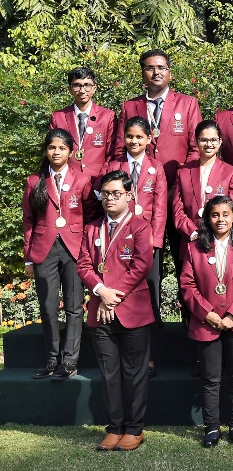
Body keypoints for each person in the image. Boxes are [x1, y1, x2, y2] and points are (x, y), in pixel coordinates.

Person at [116, 48, 203, 314]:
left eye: (161, 68)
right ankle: (144, 321)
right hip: (141, 198)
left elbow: (195, 148)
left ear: (170, 72)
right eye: (150, 68)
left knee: (184, 258)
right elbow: (121, 148)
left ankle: (191, 321)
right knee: (143, 260)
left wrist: (179, 183)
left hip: (177, 194)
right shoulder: (130, 106)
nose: (156, 72)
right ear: (142, 72)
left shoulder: (188, 103)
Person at [76, 170, 154, 451]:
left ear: (129, 195)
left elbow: (141, 266)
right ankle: (115, 427)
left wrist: (113, 296)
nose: (110, 198)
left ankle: (134, 429)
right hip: (101, 310)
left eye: (116, 193)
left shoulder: (141, 227)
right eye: (106, 194)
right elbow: (84, 265)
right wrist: (101, 292)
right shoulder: (92, 228)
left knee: (134, 373)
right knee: (110, 373)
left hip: (132, 310)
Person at [180, 195, 233, 447]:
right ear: (208, 218)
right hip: (207, 322)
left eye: (226, 214)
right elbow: (187, 286)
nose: (220, 219)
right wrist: (208, 314)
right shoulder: (195, 248)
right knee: (210, 378)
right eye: (215, 215)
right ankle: (212, 428)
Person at [23, 129, 98, 380]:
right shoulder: (35, 181)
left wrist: (88, 250)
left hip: (74, 248)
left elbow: (90, 218)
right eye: (52, 147)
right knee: (47, 306)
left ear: (70, 152)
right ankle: (51, 359)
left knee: (75, 307)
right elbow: (28, 221)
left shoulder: (82, 180)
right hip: (44, 249)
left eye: (62, 148)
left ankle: (69, 361)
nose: (57, 152)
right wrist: (28, 257)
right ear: (46, 150)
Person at [98, 117, 167, 377]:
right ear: (124, 138)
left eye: (140, 137)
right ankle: (120, 350)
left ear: (149, 139)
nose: (134, 141)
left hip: (146, 241)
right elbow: (103, 199)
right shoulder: (113, 165)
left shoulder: (156, 167)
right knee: (119, 290)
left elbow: (160, 209)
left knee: (150, 297)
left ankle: (149, 358)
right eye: (130, 137)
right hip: (117, 240)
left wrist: (155, 242)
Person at [173, 120, 233, 252]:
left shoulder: (232, 172)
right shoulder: (183, 172)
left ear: (220, 141)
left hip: (222, 241)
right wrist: (194, 233)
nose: (209, 144)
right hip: (191, 241)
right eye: (204, 140)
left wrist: (217, 233)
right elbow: (178, 211)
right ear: (196, 141)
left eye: (213, 140)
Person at [49, 67, 117, 182]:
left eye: (87, 85)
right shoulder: (58, 117)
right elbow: (53, 153)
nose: (82, 90)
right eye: (77, 85)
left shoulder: (108, 116)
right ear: (70, 89)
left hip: (98, 181)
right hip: (68, 182)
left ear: (94, 88)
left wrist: (103, 181)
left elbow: (111, 154)